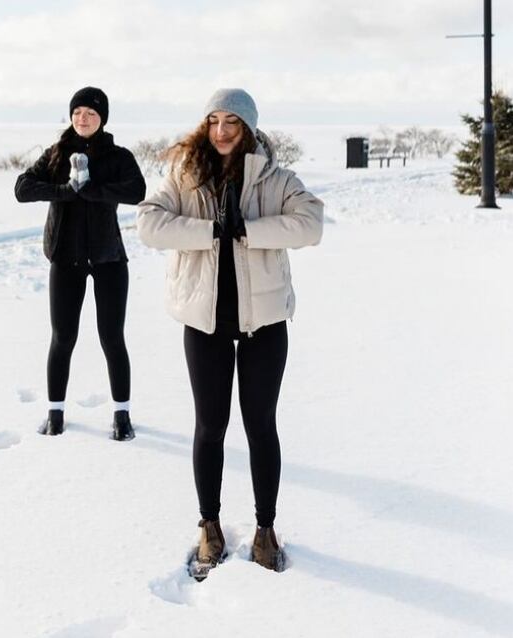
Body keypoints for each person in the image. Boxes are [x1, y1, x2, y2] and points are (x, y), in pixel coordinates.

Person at [137, 89, 323, 576]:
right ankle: (209, 525)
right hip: (205, 322)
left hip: (263, 322)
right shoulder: (185, 174)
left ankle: (265, 529)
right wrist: (210, 232)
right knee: (210, 426)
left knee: (261, 426)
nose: (221, 131)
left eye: (232, 122)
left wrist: (249, 229)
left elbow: (311, 224)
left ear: (249, 129)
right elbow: (149, 224)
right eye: (214, 120)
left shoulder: (275, 178)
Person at [15, 87, 146, 440]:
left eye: (90, 112)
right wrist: (65, 190)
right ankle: (55, 414)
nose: (82, 118)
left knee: (112, 337)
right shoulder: (56, 154)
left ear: (102, 118)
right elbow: (22, 188)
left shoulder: (118, 156)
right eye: (77, 112)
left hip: (108, 258)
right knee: (62, 337)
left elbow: (137, 191)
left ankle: (122, 416)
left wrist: (93, 189)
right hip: (65, 260)